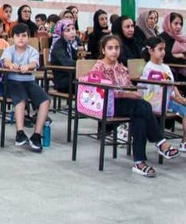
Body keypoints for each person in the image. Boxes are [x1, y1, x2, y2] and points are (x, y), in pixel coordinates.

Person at [92, 35, 179, 177]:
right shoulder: (99, 66)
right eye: (110, 48)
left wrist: (134, 91)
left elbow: (128, 85)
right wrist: (129, 95)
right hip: (108, 104)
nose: (114, 51)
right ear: (103, 50)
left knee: (140, 116)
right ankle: (160, 142)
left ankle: (139, 162)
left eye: (117, 48)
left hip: (125, 103)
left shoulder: (120, 67)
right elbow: (107, 92)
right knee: (143, 107)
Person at [1, 23, 51, 153]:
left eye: (24, 36)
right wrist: (11, 65)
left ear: (29, 37)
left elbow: (34, 64)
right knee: (21, 100)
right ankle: (20, 133)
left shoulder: (32, 51)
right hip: (13, 81)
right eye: (17, 36)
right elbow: (6, 62)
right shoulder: (9, 50)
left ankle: (37, 135)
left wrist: (27, 67)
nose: (21, 39)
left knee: (45, 101)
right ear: (13, 38)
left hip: (29, 81)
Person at [140, 36, 186, 152]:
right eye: (160, 49)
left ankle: (184, 141)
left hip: (169, 99)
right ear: (151, 50)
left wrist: (179, 96)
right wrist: (175, 99)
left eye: (164, 49)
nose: (163, 52)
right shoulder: (149, 68)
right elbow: (154, 91)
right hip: (157, 101)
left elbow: (172, 84)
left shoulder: (165, 67)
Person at [49, 19, 78, 92]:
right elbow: (67, 63)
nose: (72, 32)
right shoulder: (59, 45)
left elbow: (74, 59)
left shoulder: (70, 43)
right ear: (61, 33)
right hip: (63, 81)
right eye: (68, 30)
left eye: (73, 29)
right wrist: (81, 64)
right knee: (87, 86)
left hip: (71, 77)